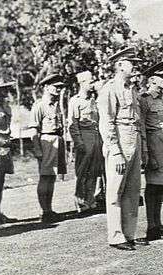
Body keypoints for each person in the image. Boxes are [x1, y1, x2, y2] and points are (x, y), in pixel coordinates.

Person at [97, 47, 148, 251]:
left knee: (133, 189)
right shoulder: (109, 89)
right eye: (130, 62)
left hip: (134, 138)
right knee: (116, 189)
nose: (134, 65)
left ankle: (129, 233)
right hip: (119, 138)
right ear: (119, 65)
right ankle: (116, 236)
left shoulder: (131, 89)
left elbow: (139, 120)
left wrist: (142, 146)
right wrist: (115, 151)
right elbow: (106, 122)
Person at [139, 75, 163, 241]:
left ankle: (157, 224)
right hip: (153, 148)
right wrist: (147, 152)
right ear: (152, 81)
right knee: (152, 187)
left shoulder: (162, 100)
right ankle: (151, 226)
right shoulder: (145, 100)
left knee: (159, 187)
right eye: (162, 78)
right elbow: (142, 129)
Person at [29, 73, 67, 222]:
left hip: (57, 140)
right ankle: (44, 211)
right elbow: (34, 130)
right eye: (55, 87)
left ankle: (49, 209)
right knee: (45, 177)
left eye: (60, 87)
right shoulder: (40, 105)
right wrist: (38, 150)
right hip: (46, 141)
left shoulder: (56, 104)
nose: (58, 90)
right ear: (46, 87)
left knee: (52, 178)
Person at [68, 70, 104, 212]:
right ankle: (80, 201)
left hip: (96, 137)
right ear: (82, 83)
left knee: (94, 170)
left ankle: (91, 199)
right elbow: (73, 124)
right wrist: (78, 142)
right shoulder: (75, 101)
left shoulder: (94, 100)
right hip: (84, 137)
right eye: (90, 82)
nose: (92, 84)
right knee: (83, 171)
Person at [0, 78, 17, 225]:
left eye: (7, 88)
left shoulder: (5, 107)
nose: (5, 91)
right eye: (2, 89)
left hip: (5, 149)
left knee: (0, 183)